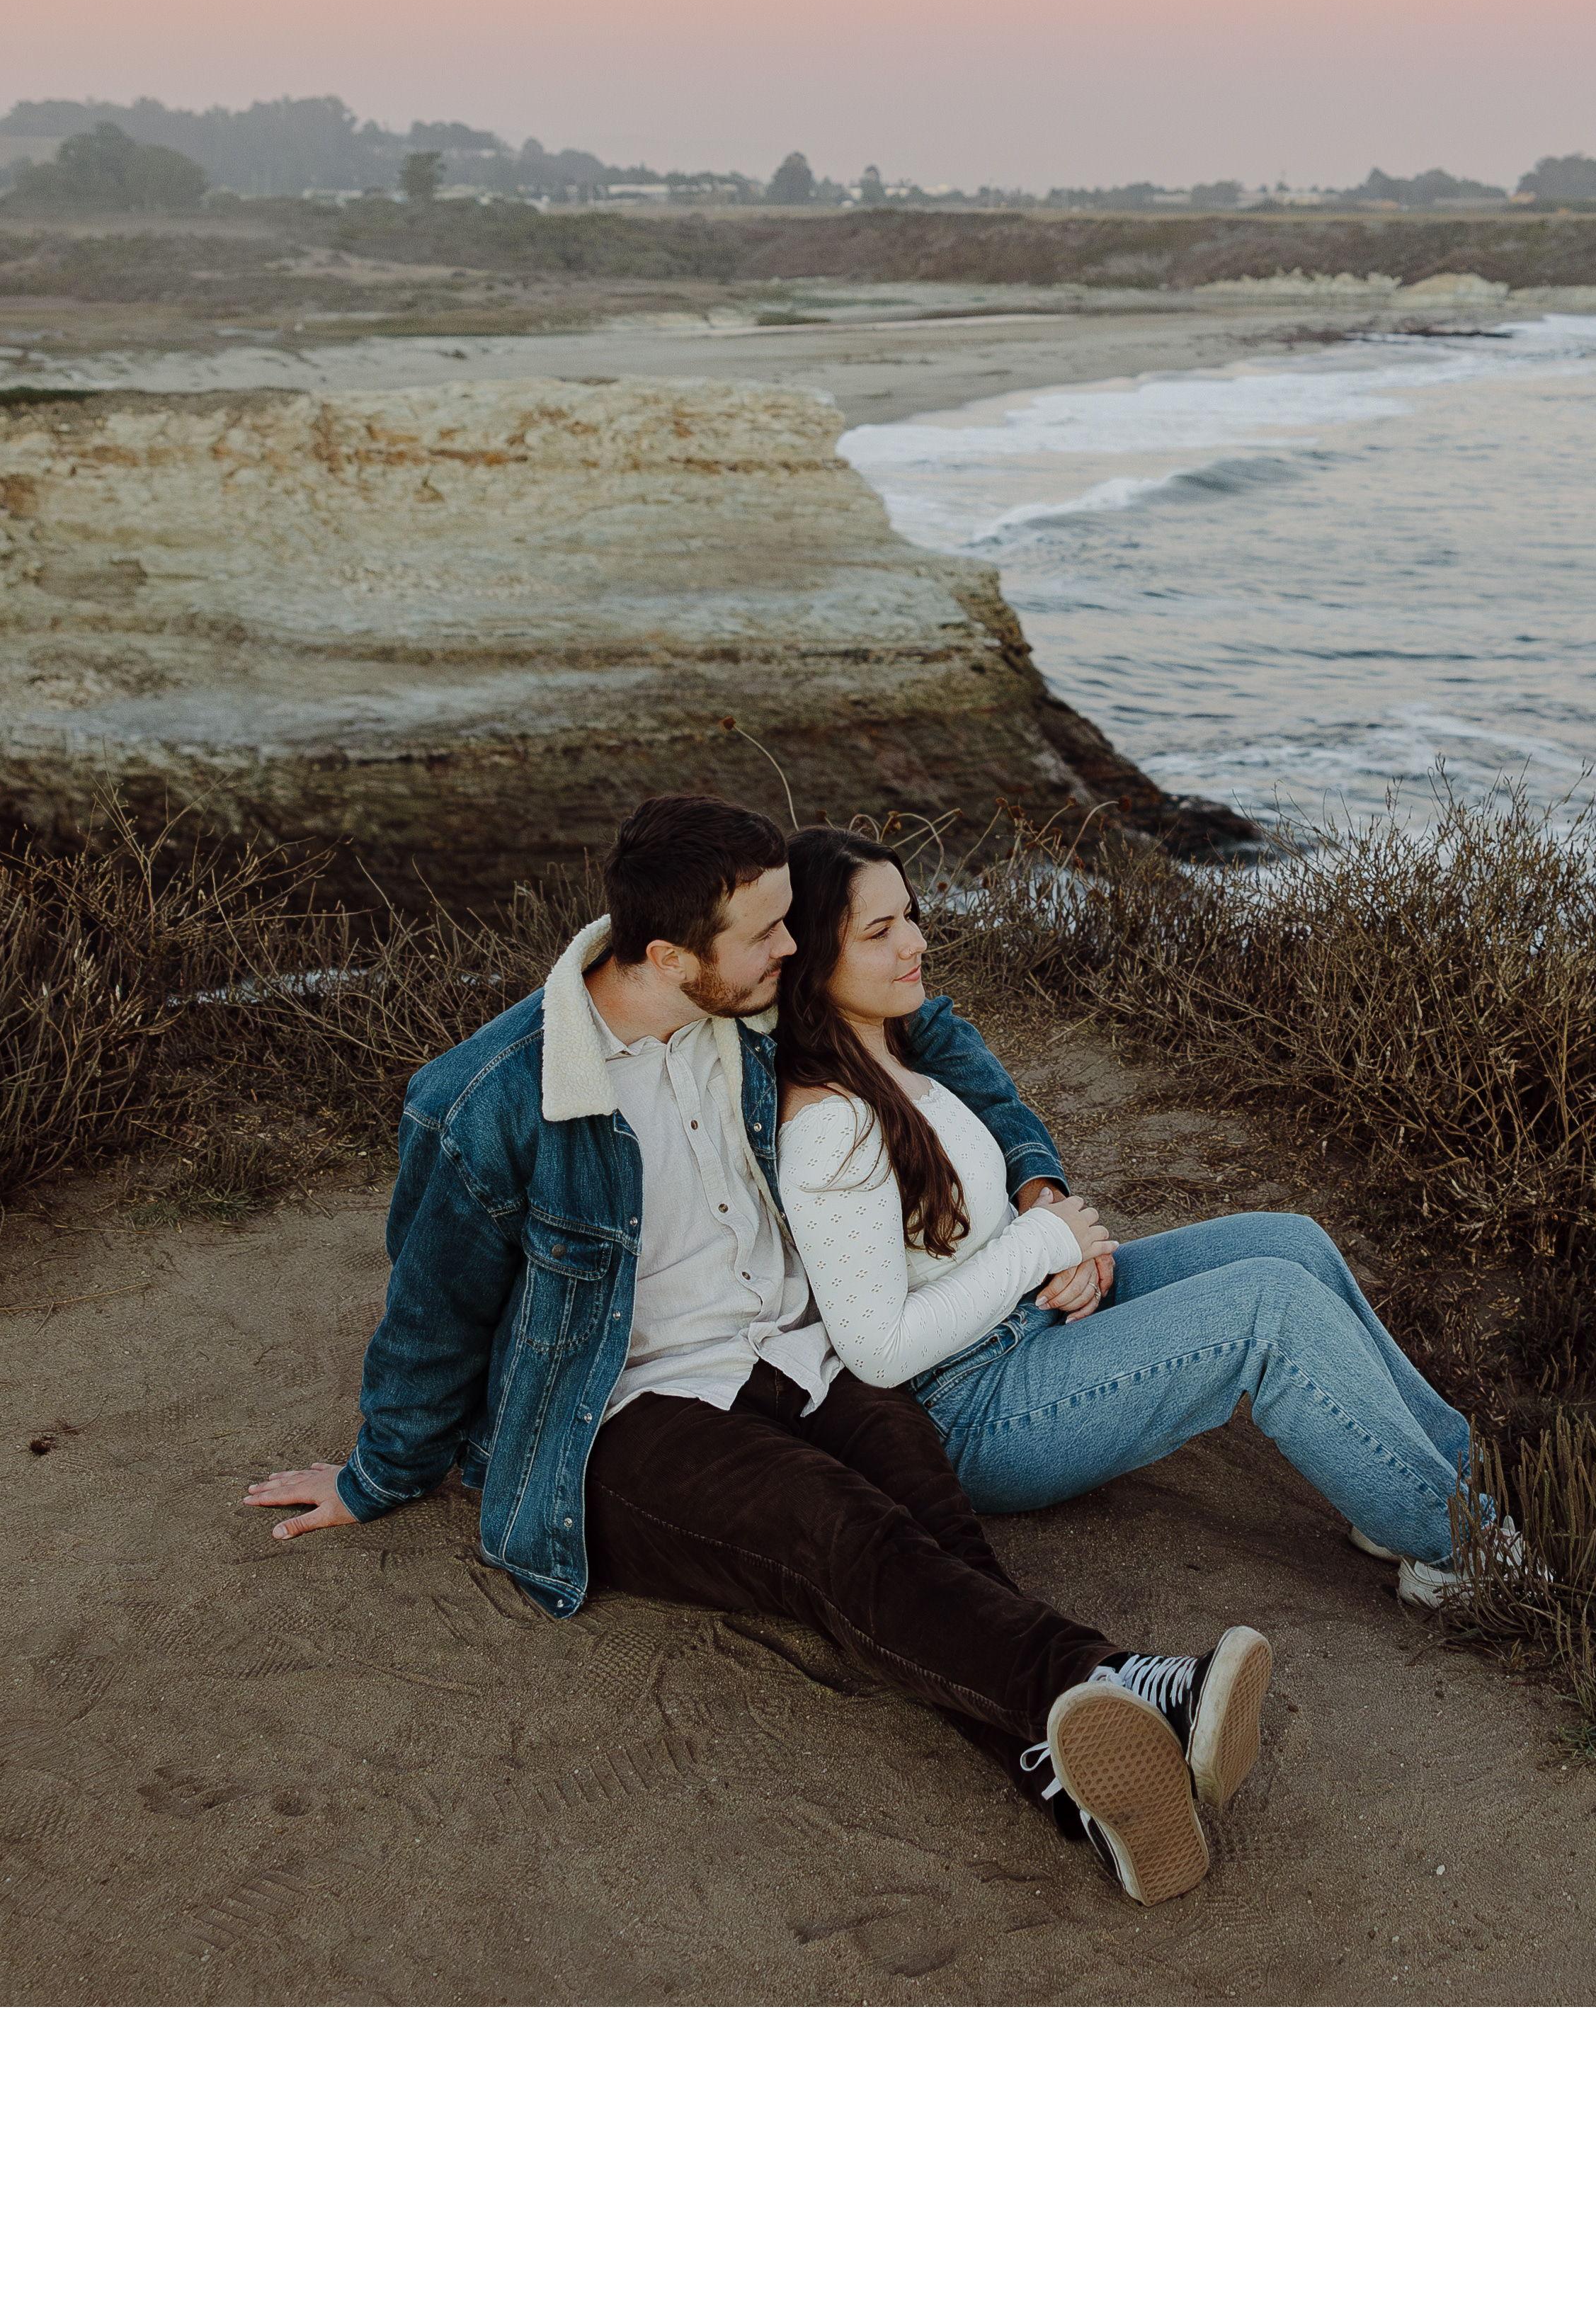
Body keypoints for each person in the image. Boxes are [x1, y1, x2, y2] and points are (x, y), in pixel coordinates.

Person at [241, 792, 1271, 1906]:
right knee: (842, 1534)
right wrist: (378, 1474)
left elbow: (941, 1036)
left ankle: (1080, 1793)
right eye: (769, 931)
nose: (794, 947)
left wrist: (1037, 1180)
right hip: (627, 1413)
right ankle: (1141, 1688)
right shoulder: (491, 1100)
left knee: (933, 1523)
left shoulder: (751, 1006)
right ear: (671, 957)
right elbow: (432, 1313)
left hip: (794, 1352)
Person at [765, 827, 1532, 1601]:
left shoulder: (898, 1046)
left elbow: (996, 1158)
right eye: (880, 931)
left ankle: (1447, 1484)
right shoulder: (830, 1126)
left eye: (909, 915)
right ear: (811, 958)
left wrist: (1054, 1234)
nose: (916, 942)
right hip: (978, 1407)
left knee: (1290, 1243)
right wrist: (1043, 1244)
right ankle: (1464, 1555)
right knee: (1270, 1310)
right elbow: (878, 1350)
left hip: (1033, 1313)